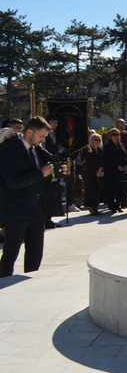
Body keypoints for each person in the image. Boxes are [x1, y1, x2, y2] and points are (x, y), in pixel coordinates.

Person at [0, 117, 66, 278]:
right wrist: (40, 174)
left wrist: (58, 169)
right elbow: (13, 181)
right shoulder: (8, 150)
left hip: (37, 208)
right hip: (16, 209)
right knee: (11, 253)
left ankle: (31, 283)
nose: (43, 140)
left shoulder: (37, 150)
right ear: (29, 132)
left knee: (35, 252)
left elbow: (47, 168)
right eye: (41, 136)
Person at [75, 133, 105, 216]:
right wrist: (96, 169)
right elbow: (88, 161)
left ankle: (95, 207)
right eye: (96, 140)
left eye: (99, 140)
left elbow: (103, 160)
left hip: (99, 172)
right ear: (91, 140)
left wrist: (101, 168)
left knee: (97, 190)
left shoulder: (100, 150)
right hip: (90, 173)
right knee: (91, 190)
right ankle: (92, 207)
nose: (97, 141)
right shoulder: (88, 149)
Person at [103, 128, 127, 213]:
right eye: (114, 135)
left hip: (121, 171)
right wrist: (116, 166)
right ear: (110, 136)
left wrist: (126, 165)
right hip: (111, 170)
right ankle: (112, 206)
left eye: (117, 134)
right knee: (111, 189)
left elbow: (126, 156)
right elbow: (107, 159)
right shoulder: (107, 146)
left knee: (120, 189)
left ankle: (118, 205)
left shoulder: (121, 145)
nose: (116, 136)